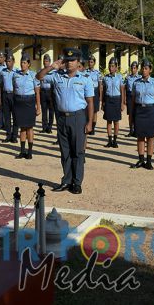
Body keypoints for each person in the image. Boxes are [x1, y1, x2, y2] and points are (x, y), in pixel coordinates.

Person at [37, 48, 93, 195]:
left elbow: (90, 102)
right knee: (65, 151)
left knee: (78, 151)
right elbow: (39, 77)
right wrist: (51, 67)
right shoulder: (57, 76)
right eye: (67, 61)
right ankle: (67, 180)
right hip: (62, 117)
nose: (69, 63)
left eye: (72, 60)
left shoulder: (85, 79)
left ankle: (77, 182)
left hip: (78, 117)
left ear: (78, 62)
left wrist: (89, 122)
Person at [131, 60, 154, 170]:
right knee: (140, 136)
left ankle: (149, 161)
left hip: (150, 111)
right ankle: (141, 160)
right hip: (139, 110)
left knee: (150, 137)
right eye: (142, 68)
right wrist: (132, 115)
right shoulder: (136, 83)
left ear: (150, 70)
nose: (143, 70)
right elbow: (133, 100)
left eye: (146, 68)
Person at [13, 53, 41, 159]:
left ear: (29, 64)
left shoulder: (33, 75)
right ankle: (22, 151)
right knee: (22, 127)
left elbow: (37, 92)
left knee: (29, 127)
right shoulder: (16, 75)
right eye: (21, 62)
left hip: (29, 102)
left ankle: (29, 152)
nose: (22, 64)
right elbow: (14, 88)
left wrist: (38, 107)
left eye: (24, 63)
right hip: (19, 102)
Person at [102, 58, 125, 148]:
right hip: (108, 100)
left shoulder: (120, 77)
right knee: (108, 121)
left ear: (116, 68)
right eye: (109, 66)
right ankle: (109, 140)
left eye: (112, 66)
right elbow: (104, 91)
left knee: (116, 121)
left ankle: (115, 141)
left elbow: (122, 91)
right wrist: (103, 102)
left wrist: (122, 103)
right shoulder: (105, 78)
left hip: (116, 100)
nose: (110, 68)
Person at [0, 51, 18, 143]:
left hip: (14, 96)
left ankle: (14, 136)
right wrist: (0, 99)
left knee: (15, 116)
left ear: (13, 61)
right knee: (7, 117)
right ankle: (8, 135)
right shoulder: (3, 72)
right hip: (5, 95)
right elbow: (0, 85)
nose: (8, 63)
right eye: (7, 61)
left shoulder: (17, 72)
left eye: (9, 61)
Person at [85, 55, 102, 135]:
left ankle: (93, 128)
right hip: (87, 92)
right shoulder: (85, 72)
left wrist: (100, 97)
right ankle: (88, 125)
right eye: (89, 62)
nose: (90, 63)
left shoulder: (97, 73)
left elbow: (100, 85)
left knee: (94, 111)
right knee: (87, 110)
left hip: (95, 92)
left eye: (91, 62)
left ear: (94, 63)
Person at [40, 54, 55, 134]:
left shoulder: (53, 72)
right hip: (43, 91)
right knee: (44, 110)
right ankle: (44, 127)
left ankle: (49, 127)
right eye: (44, 61)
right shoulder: (41, 71)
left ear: (49, 62)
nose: (45, 63)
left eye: (46, 61)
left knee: (51, 111)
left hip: (50, 92)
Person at [124, 61, 140, 137]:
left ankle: (136, 131)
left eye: (134, 68)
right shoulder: (128, 78)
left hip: (137, 97)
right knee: (130, 114)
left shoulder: (140, 78)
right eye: (132, 68)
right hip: (130, 96)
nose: (133, 70)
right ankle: (131, 130)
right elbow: (124, 88)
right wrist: (124, 99)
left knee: (137, 114)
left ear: (137, 69)